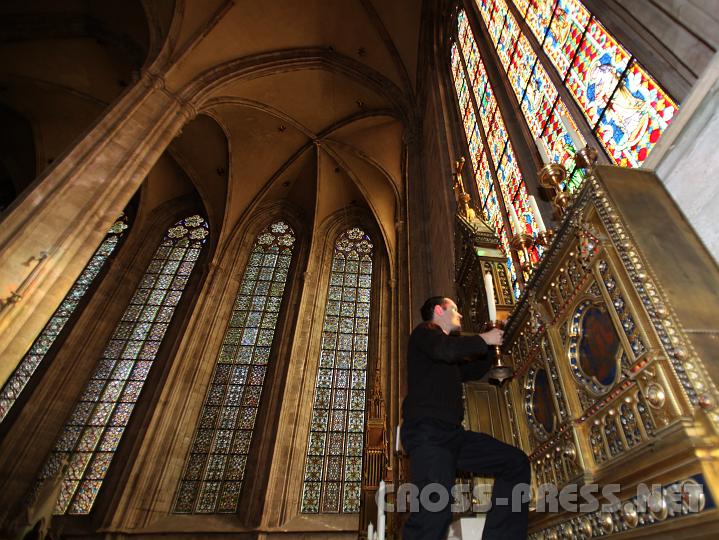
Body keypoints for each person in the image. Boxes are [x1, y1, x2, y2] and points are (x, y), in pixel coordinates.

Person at [401, 296, 530, 540]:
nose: (460, 315)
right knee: (434, 513)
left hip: (452, 436)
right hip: (428, 433)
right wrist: (484, 339)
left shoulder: (444, 355)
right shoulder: (425, 333)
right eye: (456, 310)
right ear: (439, 310)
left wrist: (494, 348)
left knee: (515, 463)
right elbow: (446, 350)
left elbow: (470, 369)